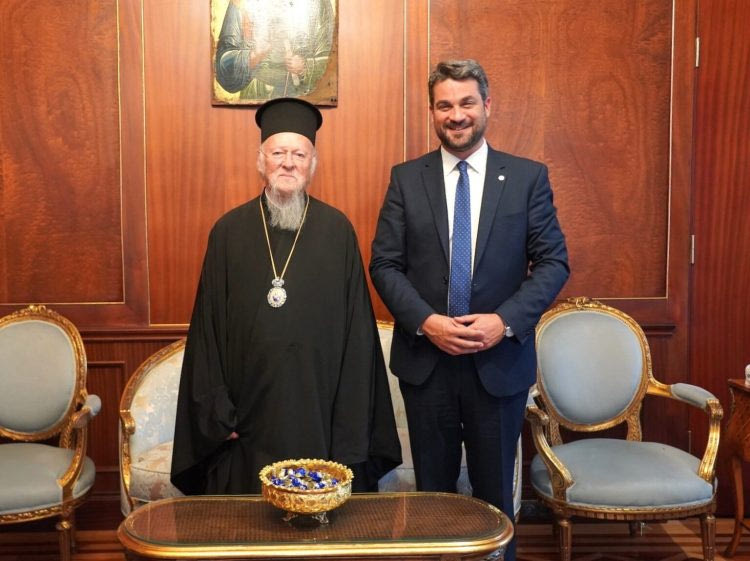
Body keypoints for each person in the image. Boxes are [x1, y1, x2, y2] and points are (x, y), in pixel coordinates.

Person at [369, 59, 569, 560]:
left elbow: (553, 262)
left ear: (487, 106)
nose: (456, 115)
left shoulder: (526, 178)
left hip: (498, 366)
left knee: (495, 498)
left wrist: (504, 322)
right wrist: (426, 321)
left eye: (466, 103)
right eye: (444, 105)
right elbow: (385, 264)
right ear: (432, 111)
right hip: (427, 365)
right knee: (433, 501)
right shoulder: (406, 179)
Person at [171, 97, 401, 496]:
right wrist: (218, 414)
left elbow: (358, 336)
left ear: (312, 163)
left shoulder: (337, 231)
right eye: (278, 153)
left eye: (299, 154)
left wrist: (349, 422)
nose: (288, 163)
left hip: (320, 415)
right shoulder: (228, 232)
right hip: (246, 419)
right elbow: (206, 331)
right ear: (261, 160)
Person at [215, 0, 334, 99]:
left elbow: (332, 62)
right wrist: (254, 56)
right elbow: (223, 67)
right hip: (256, 98)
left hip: (303, 99)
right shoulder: (240, 3)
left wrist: (305, 66)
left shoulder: (319, 3)